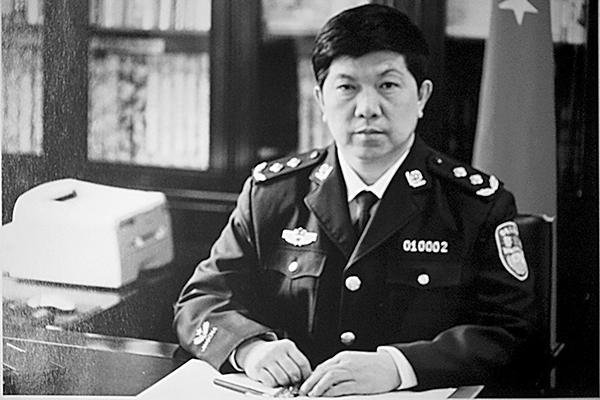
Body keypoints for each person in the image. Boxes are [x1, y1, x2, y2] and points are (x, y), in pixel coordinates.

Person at [174, 4, 540, 396]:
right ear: (320, 99)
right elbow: (200, 301)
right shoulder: (271, 196)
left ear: (422, 96)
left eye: (388, 85)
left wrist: (399, 366)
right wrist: (249, 349)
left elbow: (514, 332)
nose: (367, 109)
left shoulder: (473, 205)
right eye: (347, 88)